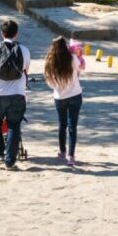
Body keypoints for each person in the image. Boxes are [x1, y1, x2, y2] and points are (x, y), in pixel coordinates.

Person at [0, 19, 31, 169]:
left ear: (1, 33)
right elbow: (26, 71)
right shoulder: (24, 50)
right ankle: (10, 161)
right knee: (14, 125)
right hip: (17, 94)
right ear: (16, 33)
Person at [43, 36, 84, 167]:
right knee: (73, 126)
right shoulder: (72, 58)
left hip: (59, 97)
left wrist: (58, 87)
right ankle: (71, 156)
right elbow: (79, 70)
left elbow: (49, 82)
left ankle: (62, 151)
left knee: (62, 124)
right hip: (75, 95)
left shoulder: (50, 62)